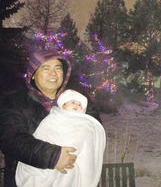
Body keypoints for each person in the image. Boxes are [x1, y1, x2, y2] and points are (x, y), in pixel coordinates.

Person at [0, 49, 100, 187]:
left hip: (73, 179)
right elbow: (11, 140)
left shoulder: (78, 101)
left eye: (57, 68)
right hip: (27, 180)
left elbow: (93, 127)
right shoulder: (15, 102)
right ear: (33, 75)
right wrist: (52, 156)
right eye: (45, 68)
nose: (53, 73)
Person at [15, 89, 106, 187]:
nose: (77, 105)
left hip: (71, 166)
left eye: (80, 105)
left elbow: (86, 146)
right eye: (73, 102)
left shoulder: (86, 123)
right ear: (63, 105)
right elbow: (43, 135)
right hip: (45, 161)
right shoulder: (53, 118)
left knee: (67, 176)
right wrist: (54, 155)